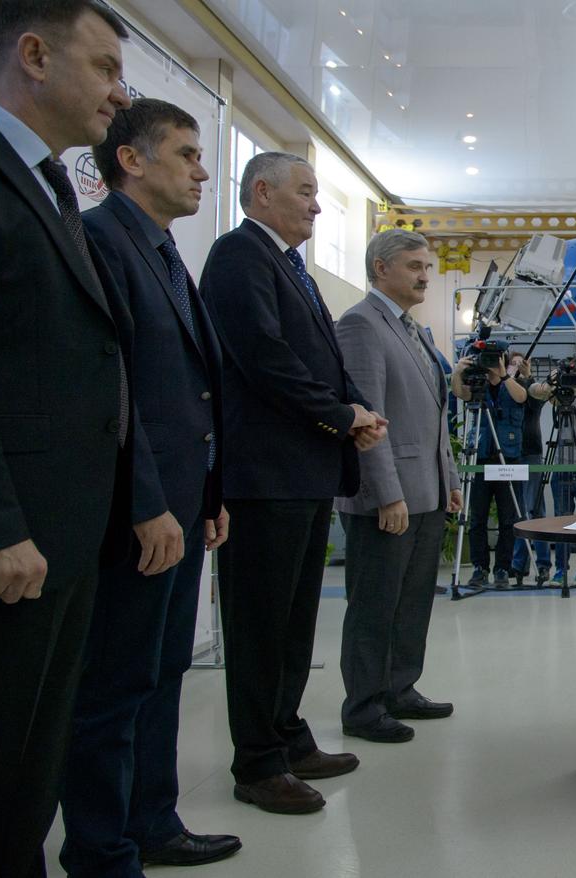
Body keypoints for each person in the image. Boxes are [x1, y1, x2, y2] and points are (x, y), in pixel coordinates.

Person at [59, 98, 240, 875]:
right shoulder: (98, 243)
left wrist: (208, 494)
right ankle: (102, 849)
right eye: (188, 153)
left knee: (162, 673)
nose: (203, 170)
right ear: (131, 160)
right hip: (137, 514)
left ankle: (154, 821)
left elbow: (190, 391)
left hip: (180, 505)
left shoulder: (163, 251)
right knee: (113, 687)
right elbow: (112, 391)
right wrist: (149, 505)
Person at [0, 3, 136, 874]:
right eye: (107, 67)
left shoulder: (46, 181)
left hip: (67, 535)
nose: (121, 94)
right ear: (35, 55)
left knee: (29, 774)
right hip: (14, 539)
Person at [200, 152, 386, 815]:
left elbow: (325, 361)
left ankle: (287, 735)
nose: (315, 205)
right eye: (306, 192)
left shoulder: (290, 267)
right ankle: (256, 762)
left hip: (304, 471)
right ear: (262, 193)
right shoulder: (238, 256)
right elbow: (263, 356)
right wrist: (340, 415)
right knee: (260, 627)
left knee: (294, 624)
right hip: (265, 474)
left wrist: (358, 411)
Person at [334, 229, 462, 744]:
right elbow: (370, 419)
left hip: (426, 490)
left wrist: (447, 479)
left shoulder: (417, 331)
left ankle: (400, 687)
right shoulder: (360, 325)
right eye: (414, 266)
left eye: (427, 266)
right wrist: (386, 492)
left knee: (412, 601)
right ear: (380, 268)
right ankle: (363, 705)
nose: (425, 276)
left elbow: (434, 417)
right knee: (375, 604)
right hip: (388, 498)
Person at [450, 343, 527, 589]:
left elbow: (521, 397)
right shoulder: (477, 383)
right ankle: (479, 567)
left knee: (508, 518)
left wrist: (503, 374)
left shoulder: (511, 383)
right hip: (480, 457)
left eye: (496, 358)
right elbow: (460, 394)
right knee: (477, 518)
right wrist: (457, 372)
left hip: (508, 458)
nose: (492, 362)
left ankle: (502, 568)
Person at [529, 361, 576, 587]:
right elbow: (534, 391)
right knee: (562, 520)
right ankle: (561, 570)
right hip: (562, 466)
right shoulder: (560, 396)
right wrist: (553, 381)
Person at [510, 353, 552, 586]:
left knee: (534, 508)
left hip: (532, 451)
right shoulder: (505, 390)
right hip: (511, 453)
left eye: (520, 364)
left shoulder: (533, 389)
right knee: (520, 510)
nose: (516, 368)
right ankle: (519, 564)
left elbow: (536, 402)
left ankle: (542, 563)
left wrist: (527, 377)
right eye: (512, 364)